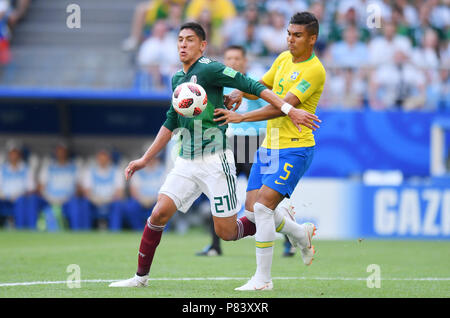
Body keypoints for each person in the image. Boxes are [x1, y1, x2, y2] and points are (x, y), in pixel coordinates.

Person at [109, 21, 320, 288]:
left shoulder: (211, 68)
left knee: (229, 231)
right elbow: (171, 120)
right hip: (185, 160)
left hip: (217, 160)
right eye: (180, 40)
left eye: (189, 40)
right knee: (159, 213)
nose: (183, 44)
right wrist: (144, 159)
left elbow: (251, 84)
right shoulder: (177, 79)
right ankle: (140, 278)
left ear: (202, 45)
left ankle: (285, 223)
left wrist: (288, 110)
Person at [214, 11, 326, 290]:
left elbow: (281, 105)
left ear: (312, 39)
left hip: (295, 148)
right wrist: (240, 92)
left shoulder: (314, 69)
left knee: (263, 208)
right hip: (268, 147)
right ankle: (299, 232)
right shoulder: (283, 59)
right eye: (289, 33)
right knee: (253, 212)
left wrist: (241, 117)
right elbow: (262, 88)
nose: (290, 39)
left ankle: (263, 280)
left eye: (297, 35)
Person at [37, 142, 83, 231]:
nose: (61, 153)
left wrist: (67, 198)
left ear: (67, 153)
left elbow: (78, 188)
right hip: (49, 199)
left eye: (63, 151)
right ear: (55, 153)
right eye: (59, 151)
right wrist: (49, 198)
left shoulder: (74, 167)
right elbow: (41, 187)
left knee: (77, 204)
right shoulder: (48, 167)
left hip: (68, 200)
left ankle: (76, 232)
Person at [82, 148, 125, 231]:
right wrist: (95, 199)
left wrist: (107, 199)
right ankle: (85, 231)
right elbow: (86, 192)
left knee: (118, 205)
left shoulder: (116, 171)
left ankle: (114, 231)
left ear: (109, 158)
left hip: (111, 202)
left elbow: (120, 193)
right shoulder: (90, 171)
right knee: (84, 203)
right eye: (100, 157)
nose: (103, 159)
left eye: (105, 157)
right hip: (94, 202)